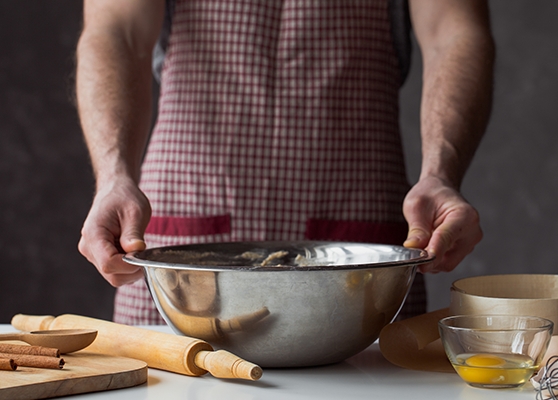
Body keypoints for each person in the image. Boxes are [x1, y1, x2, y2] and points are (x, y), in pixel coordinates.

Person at [75, 0, 494, 325]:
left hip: (355, 244)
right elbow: (117, 29)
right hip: (183, 242)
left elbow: (453, 33)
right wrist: (114, 176)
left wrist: (440, 174)